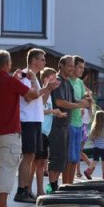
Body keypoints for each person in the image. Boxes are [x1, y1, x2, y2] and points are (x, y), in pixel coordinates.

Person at [0, 50, 40, 207]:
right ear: (7, 64)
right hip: (10, 132)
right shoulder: (11, 82)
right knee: (7, 169)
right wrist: (33, 80)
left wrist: (14, 79)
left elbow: (3, 91)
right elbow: (33, 94)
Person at [48, 55, 91, 192]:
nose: (72, 69)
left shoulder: (68, 82)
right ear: (61, 65)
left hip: (67, 125)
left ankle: (64, 187)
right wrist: (78, 105)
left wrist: (85, 102)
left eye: (73, 66)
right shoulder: (57, 80)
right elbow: (59, 102)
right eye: (70, 66)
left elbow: (75, 100)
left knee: (67, 159)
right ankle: (52, 188)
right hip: (57, 125)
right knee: (57, 160)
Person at [14, 48, 50, 203]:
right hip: (27, 120)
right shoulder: (25, 76)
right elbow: (29, 98)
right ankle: (21, 191)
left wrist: (47, 89)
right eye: (42, 59)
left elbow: (39, 101)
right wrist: (45, 88)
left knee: (32, 156)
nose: (44, 62)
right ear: (34, 60)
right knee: (27, 155)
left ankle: (27, 190)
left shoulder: (34, 77)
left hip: (35, 120)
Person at [32, 68, 65, 196]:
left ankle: (39, 190)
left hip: (45, 132)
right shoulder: (44, 92)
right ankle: (37, 190)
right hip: (40, 130)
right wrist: (53, 111)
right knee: (37, 163)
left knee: (41, 163)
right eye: (53, 78)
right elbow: (39, 110)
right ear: (46, 79)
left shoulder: (50, 94)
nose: (56, 81)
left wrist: (57, 113)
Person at [62, 55, 88, 185]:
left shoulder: (80, 83)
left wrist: (87, 100)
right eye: (79, 67)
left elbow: (84, 100)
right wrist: (80, 103)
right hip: (69, 123)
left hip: (79, 122)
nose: (82, 70)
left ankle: (70, 185)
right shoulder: (67, 82)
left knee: (75, 157)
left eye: (83, 68)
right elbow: (70, 101)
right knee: (69, 157)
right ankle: (65, 185)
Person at [83, 110, 104, 180]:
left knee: (95, 160)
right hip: (103, 148)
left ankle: (88, 170)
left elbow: (91, 138)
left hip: (96, 147)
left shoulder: (94, 128)